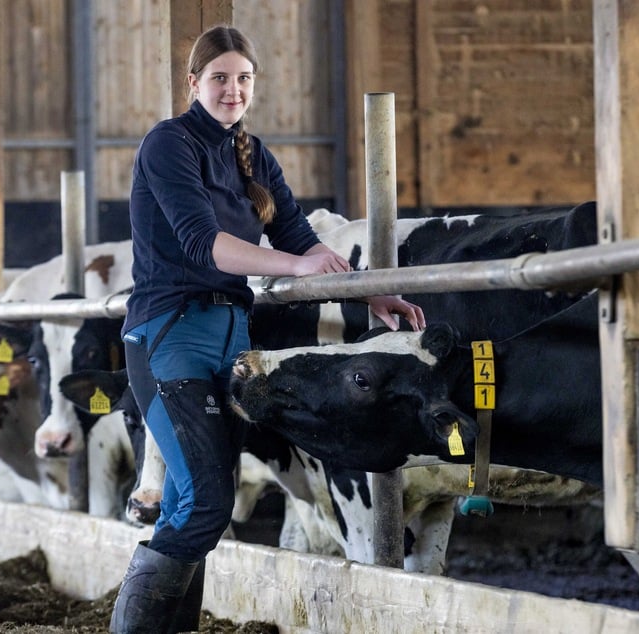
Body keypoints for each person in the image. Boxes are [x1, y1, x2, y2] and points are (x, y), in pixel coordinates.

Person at [111, 24, 426, 633]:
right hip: (169, 335)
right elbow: (204, 245)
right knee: (206, 502)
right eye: (220, 78)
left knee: (188, 499)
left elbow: (301, 239)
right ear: (193, 82)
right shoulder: (168, 144)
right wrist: (294, 265)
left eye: (244, 79)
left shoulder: (253, 156)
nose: (233, 91)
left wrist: (372, 295)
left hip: (231, 339)